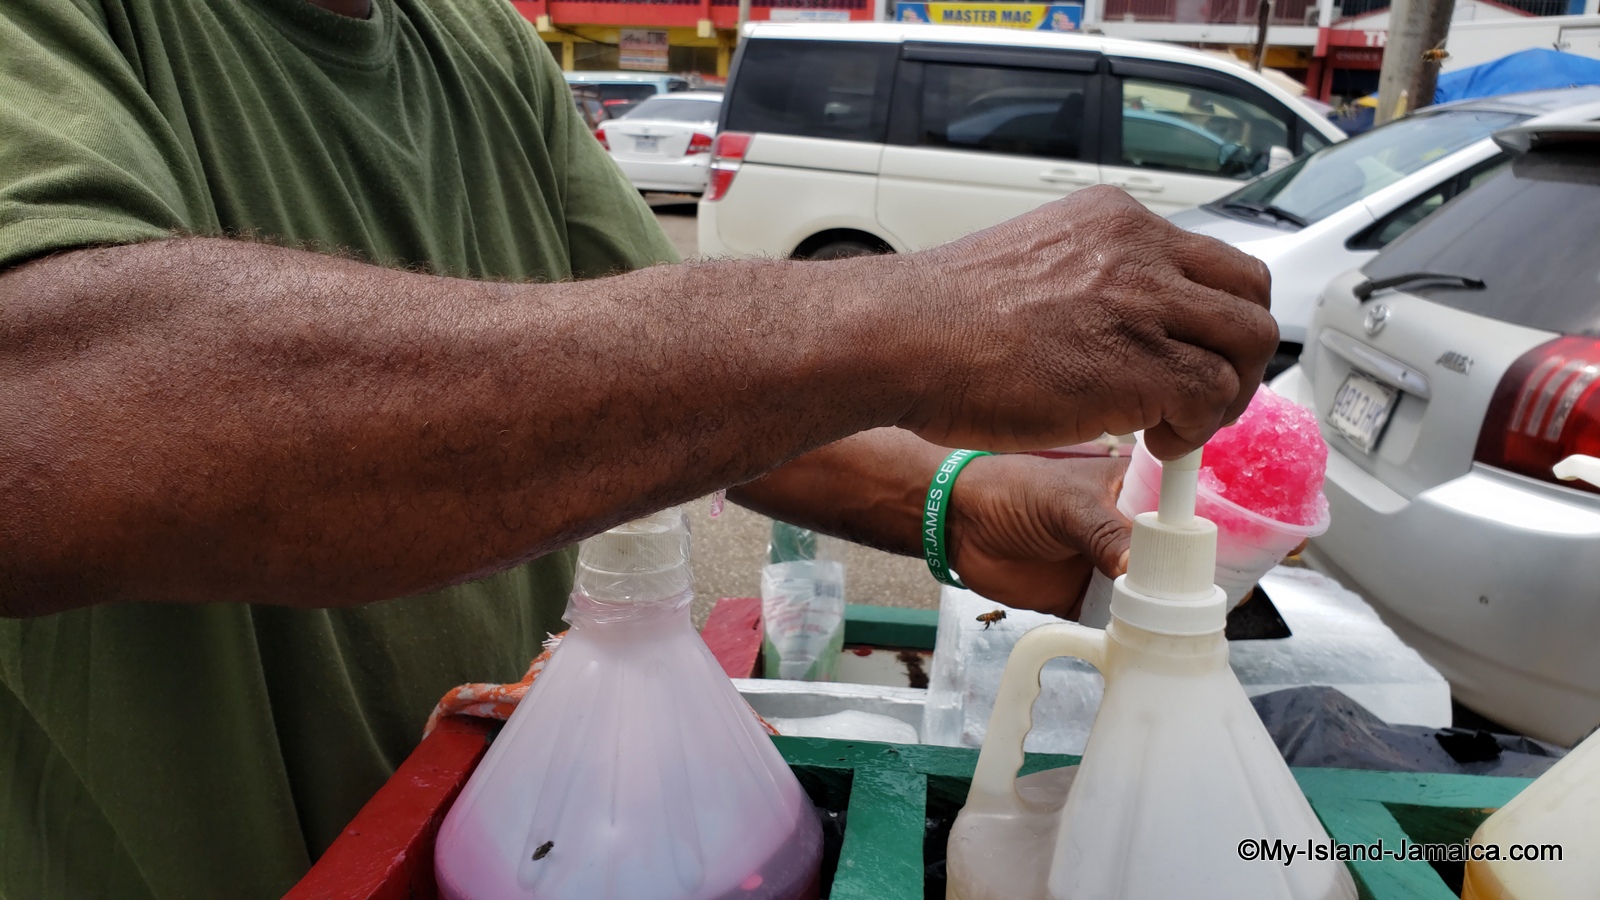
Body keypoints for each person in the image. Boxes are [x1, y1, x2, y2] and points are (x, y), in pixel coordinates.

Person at [0, 1, 1276, 897]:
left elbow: (667, 404)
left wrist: (950, 502)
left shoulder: (473, 43)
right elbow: (52, 419)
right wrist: (902, 316)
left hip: (491, 831)